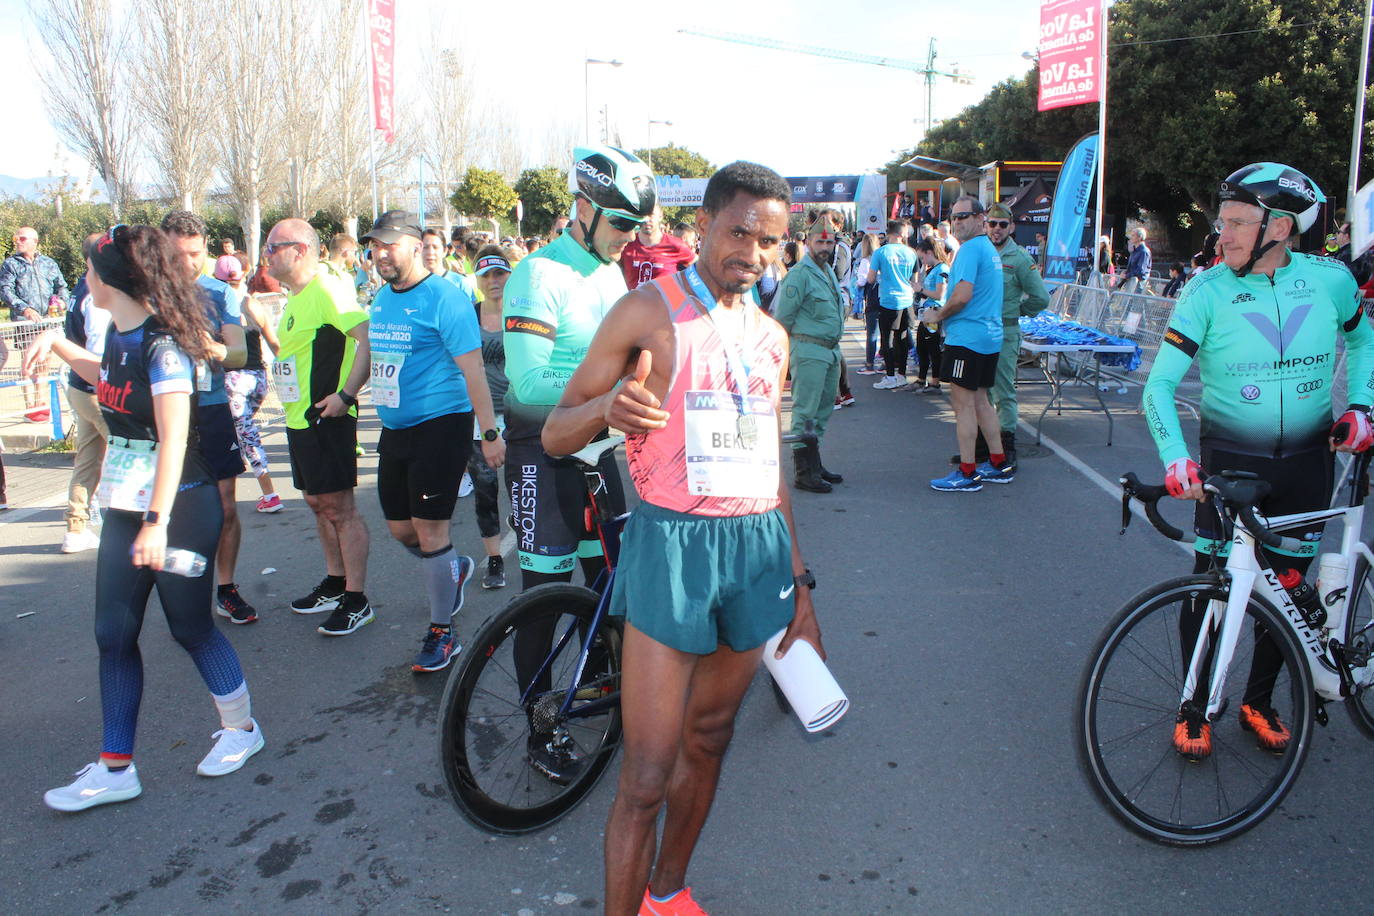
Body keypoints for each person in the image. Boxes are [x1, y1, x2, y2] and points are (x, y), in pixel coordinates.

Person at [541, 160, 825, 916]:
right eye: (740, 232)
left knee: (710, 738)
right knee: (645, 773)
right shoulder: (646, 312)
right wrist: (607, 407)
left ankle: (668, 895)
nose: (755, 255)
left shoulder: (771, 338)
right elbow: (556, 431)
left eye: (770, 242)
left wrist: (798, 587)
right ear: (703, 223)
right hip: (673, 549)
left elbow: (770, 471)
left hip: (755, 547)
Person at [25, 224, 263, 811]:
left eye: (88, 270)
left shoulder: (161, 346)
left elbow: (176, 438)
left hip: (178, 504)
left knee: (191, 628)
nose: (83, 279)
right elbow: (105, 379)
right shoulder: (120, 336)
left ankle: (242, 730)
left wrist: (156, 522)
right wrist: (55, 343)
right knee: (112, 634)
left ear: (111, 279)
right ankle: (115, 767)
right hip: (128, 505)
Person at [1141, 162, 1374, 761]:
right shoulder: (1206, 289)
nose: (1225, 236)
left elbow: (1363, 339)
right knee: (1210, 589)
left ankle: (1258, 700)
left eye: (1241, 223)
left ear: (1283, 227)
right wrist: (1175, 459)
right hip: (1230, 467)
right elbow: (1158, 386)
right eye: (1224, 222)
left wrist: (1363, 406)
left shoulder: (1330, 281)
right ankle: (1195, 705)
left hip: (1305, 463)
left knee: (1288, 592)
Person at [502, 145, 654, 780]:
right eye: (620, 223)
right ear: (585, 209)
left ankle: (596, 688)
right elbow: (529, 382)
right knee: (543, 600)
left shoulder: (610, 273)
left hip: (599, 452)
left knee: (606, 588)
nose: (628, 238)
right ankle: (541, 726)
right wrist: (607, 388)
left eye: (636, 227)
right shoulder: (538, 275)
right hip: (543, 453)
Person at [361, 211, 504, 672]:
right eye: (374, 245)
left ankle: (442, 633)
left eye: (388, 244)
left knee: (430, 531)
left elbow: (473, 370)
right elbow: (375, 355)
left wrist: (488, 434)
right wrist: (346, 395)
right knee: (400, 529)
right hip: (395, 429)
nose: (380, 253)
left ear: (415, 244)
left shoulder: (445, 298)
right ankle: (453, 569)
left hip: (441, 425)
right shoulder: (382, 298)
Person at [265, 218, 374, 635]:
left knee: (340, 509)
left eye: (274, 247)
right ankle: (335, 581)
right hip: (299, 420)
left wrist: (346, 396)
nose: (267, 255)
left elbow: (367, 338)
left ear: (301, 250)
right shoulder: (298, 294)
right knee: (317, 503)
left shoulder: (327, 290)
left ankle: (357, 598)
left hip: (326, 419)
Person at [160, 211, 258, 625]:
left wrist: (211, 348)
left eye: (196, 254)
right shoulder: (147, 293)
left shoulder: (221, 294)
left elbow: (238, 353)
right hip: (164, 411)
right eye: (178, 254)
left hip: (211, 406)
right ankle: (181, 592)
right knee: (171, 508)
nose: (188, 263)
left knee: (224, 507)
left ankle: (227, 588)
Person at [920, 197, 1012, 491]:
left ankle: (967, 472)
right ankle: (998, 463)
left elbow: (961, 296)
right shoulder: (987, 248)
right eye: (954, 217)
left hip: (968, 338)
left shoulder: (972, 249)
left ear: (980, 217)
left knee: (963, 407)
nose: (958, 221)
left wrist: (938, 314)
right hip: (988, 336)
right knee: (981, 402)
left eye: (964, 216)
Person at [774, 215, 845, 493]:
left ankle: (815, 463)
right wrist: (784, 360)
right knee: (805, 412)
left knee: (823, 410)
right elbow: (783, 320)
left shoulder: (826, 270)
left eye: (829, 241)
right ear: (809, 243)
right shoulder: (800, 274)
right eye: (820, 241)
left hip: (830, 352)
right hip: (809, 350)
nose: (825, 246)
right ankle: (804, 472)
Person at [59, 233, 114, 553]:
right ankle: (134, 521)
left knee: (89, 458)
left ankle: (75, 526)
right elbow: (99, 348)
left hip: (80, 386)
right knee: (130, 451)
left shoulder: (81, 287)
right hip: (98, 388)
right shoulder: (96, 294)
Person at [216, 255, 282, 514]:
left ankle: (270, 494)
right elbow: (275, 344)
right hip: (259, 379)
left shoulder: (220, 308)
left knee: (247, 435)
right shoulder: (252, 304)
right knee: (240, 431)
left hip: (234, 379)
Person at [984, 203, 1049, 467]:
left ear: (1011, 227)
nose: (996, 229)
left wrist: (1018, 310)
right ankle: (984, 447)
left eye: (1002, 224)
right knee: (981, 391)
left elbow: (1041, 298)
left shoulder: (1020, 258)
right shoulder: (980, 252)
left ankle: (1007, 445)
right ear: (985, 225)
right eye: (992, 223)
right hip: (980, 331)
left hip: (1005, 331)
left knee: (1003, 390)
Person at [469, 245, 515, 589]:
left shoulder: (522, 314)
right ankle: (495, 560)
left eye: (499, 273)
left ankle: (530, 545)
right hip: (480, 416)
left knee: (521, 486)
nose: (493, 281)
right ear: (478, 280)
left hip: (519, 413)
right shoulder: (469, 316)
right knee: (485, 490)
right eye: (486, 275)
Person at [866, 219, 919, 389]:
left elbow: (871, 278)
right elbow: (915, 280)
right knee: (902, 337)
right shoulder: (911, 253)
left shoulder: (880, 253)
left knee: (887, 338)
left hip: (888, 300)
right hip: (907, 300)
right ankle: (901, 375)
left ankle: (889, 376)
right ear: (901, 234)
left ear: (889, 233)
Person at [619, 204, 696, 290]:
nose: (647, 219)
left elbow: (700, 267)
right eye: (643, 214)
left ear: (660, 216)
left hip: (666, 302)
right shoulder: (626, 244)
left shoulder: (675, 245)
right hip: (633, 302)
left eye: (651, 215)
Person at [0, 225, 68, 321]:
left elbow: (61, 287)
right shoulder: (10, 264)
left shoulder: (48, 263)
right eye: (15, 239)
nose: (17, 241)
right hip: (25, 325)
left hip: (51, 321)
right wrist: (25, 309)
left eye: (22, 238)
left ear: (35, 241)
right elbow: (5, 291)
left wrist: (63, 301)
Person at [912, 236, 950, 394]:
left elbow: (940, 294)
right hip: (927, 312)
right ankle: (922, 379)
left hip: (935, 312)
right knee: (922, 347)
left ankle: (935, 382)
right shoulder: (934, 269)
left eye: (922, 257)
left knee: (932, 348)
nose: (922, 261)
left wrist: (920, 289)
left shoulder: (942, 270)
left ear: (929, 252)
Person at [420, 227, 479, 303]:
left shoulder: (460, 283)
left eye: (435, 247)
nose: (430, 252)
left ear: (445, 251)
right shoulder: (410, 285)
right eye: (425, 247)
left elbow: (471, 311)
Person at [1115, 226, 1153, 293]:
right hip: (1132, 282)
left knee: (1135, 302)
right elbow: (1132, 266)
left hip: (1139, 283)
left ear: (1139, 237)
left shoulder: (1144, 252)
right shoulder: (1134, 251)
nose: (1131, 237)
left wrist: (1127, 275)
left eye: (1133, 235)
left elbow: (1141, 270)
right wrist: (1126, 272)